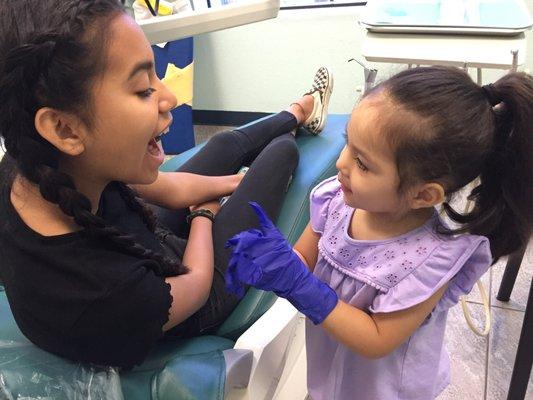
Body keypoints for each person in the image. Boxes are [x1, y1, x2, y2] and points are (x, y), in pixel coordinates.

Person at [0, 0, 334, 369]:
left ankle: (297, 112)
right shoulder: (105, 295)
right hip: (197, 292)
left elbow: (168, 189)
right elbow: (198, 282)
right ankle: (292, 125)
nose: (169, 97)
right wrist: (203, 217)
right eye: (144, 89)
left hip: (144, 245)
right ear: (65, 128)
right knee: (282, 151)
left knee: (223, 143)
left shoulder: (35, 163)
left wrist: (232, 184)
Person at [225, 66, 533, 399]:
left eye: (363, 163)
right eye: (348, 144)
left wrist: (299, 285)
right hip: (333, 369)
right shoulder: (336, 202)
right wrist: (273, 262)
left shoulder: (430, 260)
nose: (342, 163)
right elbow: (303, 259)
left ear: (423, 194)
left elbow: (375, 339)